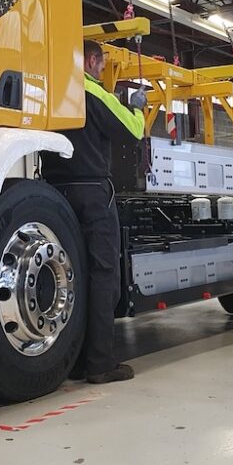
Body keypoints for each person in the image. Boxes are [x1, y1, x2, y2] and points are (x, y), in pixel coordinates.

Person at [41, 40, 146, 384]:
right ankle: (100, 362)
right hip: (91, 194)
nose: (102, 71)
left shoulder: (52, 91)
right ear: (90, 60)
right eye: (101, 65)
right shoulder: (92, 92)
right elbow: (132, 130)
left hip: (55, 193)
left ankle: (73, 357)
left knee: (71, 277)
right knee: (103, 276)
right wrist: (138, 108)